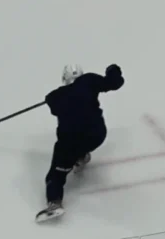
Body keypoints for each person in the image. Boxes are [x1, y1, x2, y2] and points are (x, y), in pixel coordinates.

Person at [36, 63, 125, 222]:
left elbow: (55, 108)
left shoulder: (56, 95)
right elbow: (113, 83)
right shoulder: (89, 81)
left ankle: (54, 203)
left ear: (65, 78)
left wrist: (49, 99)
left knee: (55, 176)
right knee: (81, 140)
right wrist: (113, 72)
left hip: (70, 142)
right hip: (97, 134)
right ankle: (81, 157)